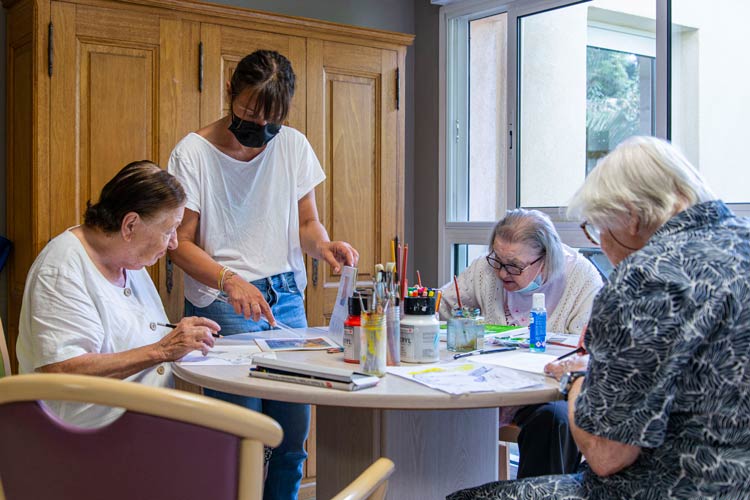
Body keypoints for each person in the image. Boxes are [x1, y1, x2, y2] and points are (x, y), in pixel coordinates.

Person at [448, 136, 750, 499]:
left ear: (632, 218)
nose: (601, 241)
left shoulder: (646, 277)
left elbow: (607, 454)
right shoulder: (740, 242)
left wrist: (577, 374)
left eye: (599, 228)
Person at [167, 50, 359, 500]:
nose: (260, 130)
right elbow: (180, 245)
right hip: (222, 301)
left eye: (271, 121)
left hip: (286, 297)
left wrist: (324, 246)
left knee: (291, 437)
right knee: (242, 436)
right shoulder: (192, 153)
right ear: (229, 94)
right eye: (250, 115)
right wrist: (231, 280)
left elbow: (307, 223)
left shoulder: (292, 145)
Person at [16, 161, 220, 428]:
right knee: (229, 449)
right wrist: (162, 349)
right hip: (82, 434)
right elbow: (62, 370)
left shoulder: (128, 258)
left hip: (142, 421)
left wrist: (182, 337)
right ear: (130, 225)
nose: (173, 243)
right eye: (169, 230)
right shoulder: (62, 269)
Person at [440, 208, 603, 478]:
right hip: (488, 383)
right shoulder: (486, 269)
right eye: (497, 260)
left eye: (514, 266)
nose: (502, 273)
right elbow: (443, 306)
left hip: (548, 391)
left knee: (555, 420)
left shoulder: (582, 278)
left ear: (546, 259)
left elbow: (587, 351)